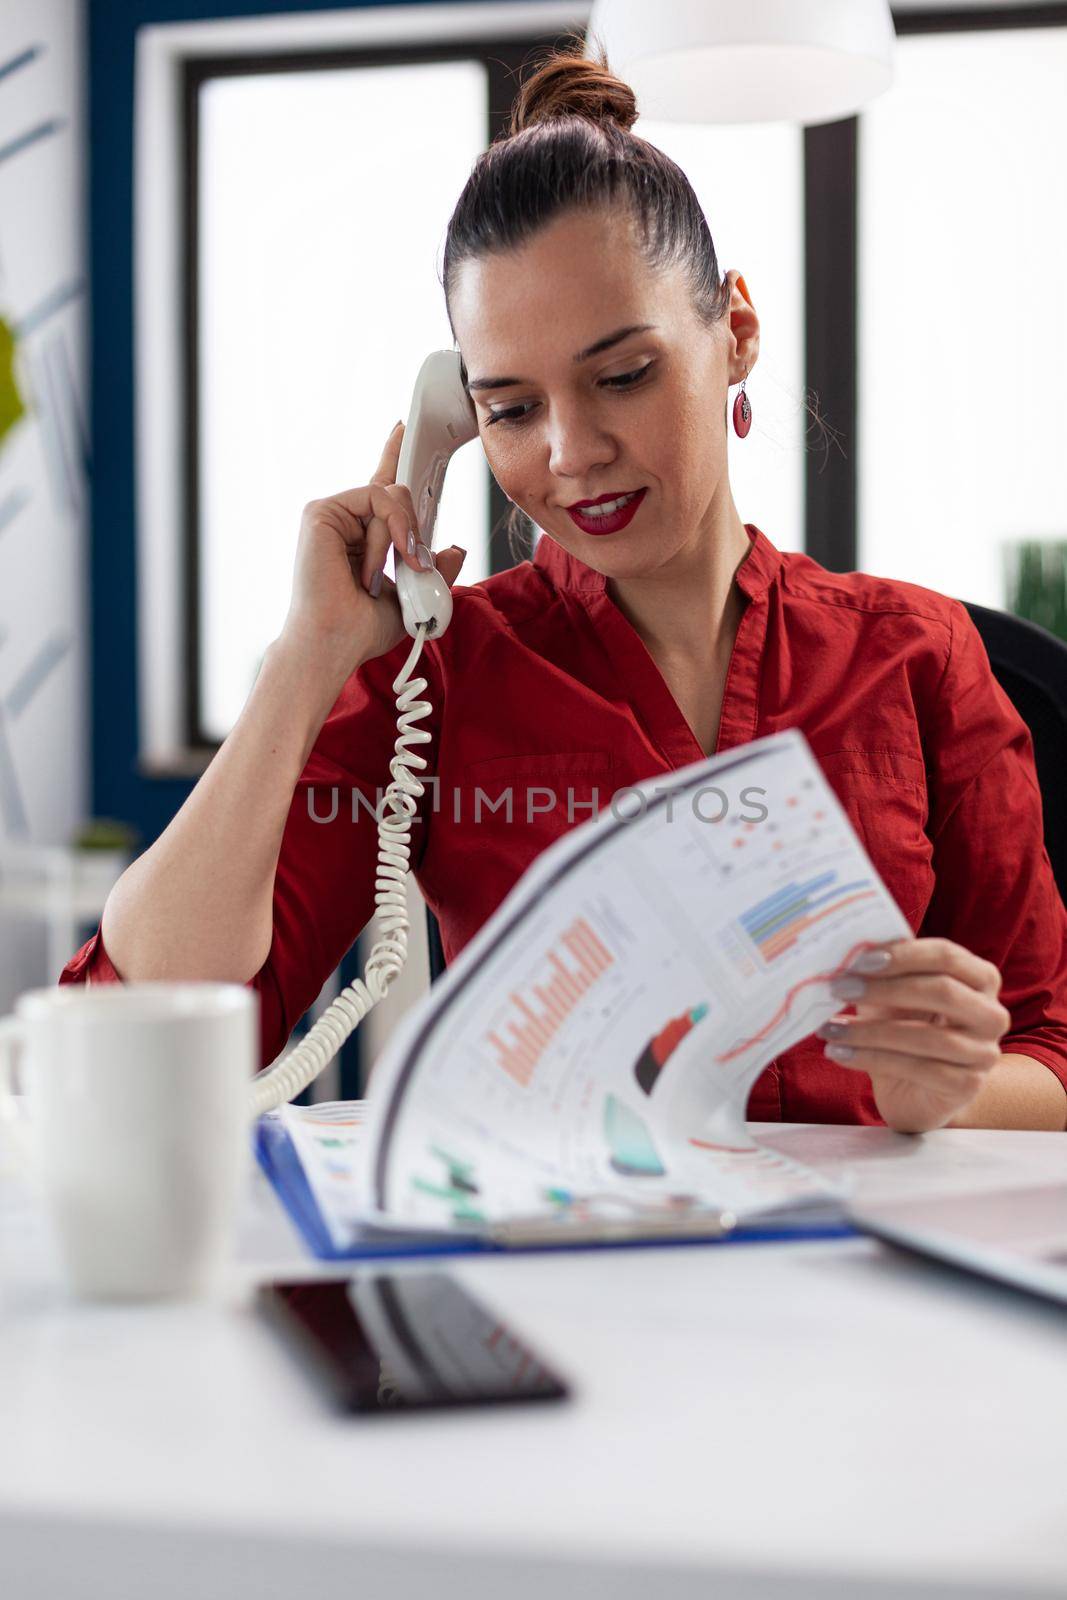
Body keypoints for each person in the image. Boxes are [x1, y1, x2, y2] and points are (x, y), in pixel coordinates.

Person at [60, 39, 1067, 1135]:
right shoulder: (436, 679)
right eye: (508, 408)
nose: (571, 452)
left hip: (864, 1278)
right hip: (559, 1278)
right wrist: (305, 662)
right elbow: (139, 1020)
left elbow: (1048, 1049)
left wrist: (947, 1092)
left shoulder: (916, 654)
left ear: (732, 333)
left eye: (621, 376)